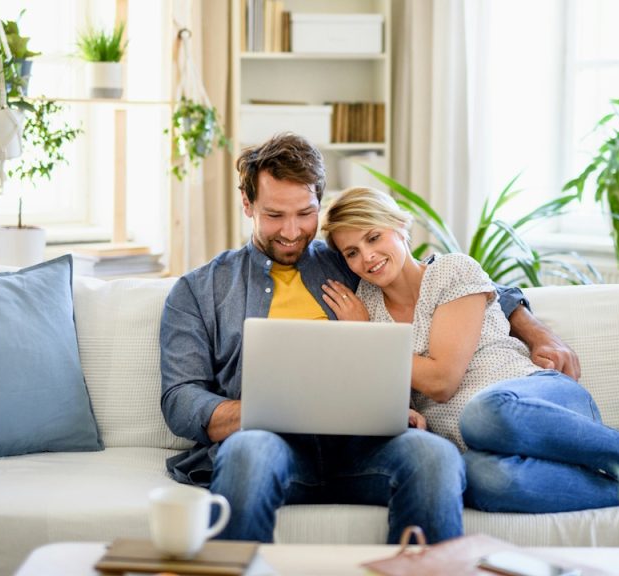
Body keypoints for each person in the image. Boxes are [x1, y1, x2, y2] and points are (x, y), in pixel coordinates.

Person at [320, 186, 619, 513]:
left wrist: (368, 341)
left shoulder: (453, 272)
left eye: (374, 237)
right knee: (486, 481)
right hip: (479, 449)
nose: (368, 258)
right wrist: (401, 412)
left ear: (400, 227)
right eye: (352, 252)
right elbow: (400, 401)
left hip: (540, 404)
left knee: (483, 413)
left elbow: (440, 380)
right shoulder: (365, 310)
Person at [160, 133, 467, 544]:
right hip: (271, 449)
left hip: (367, 448)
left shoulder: (349, 259)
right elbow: (180, 398)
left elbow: (442, 283)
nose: (291, 231)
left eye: (305, 214)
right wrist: (258, 410)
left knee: (435, 456)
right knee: (248, 454)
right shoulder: (200, 290)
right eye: (274, 215)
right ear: (247, 203)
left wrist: (530, 326)